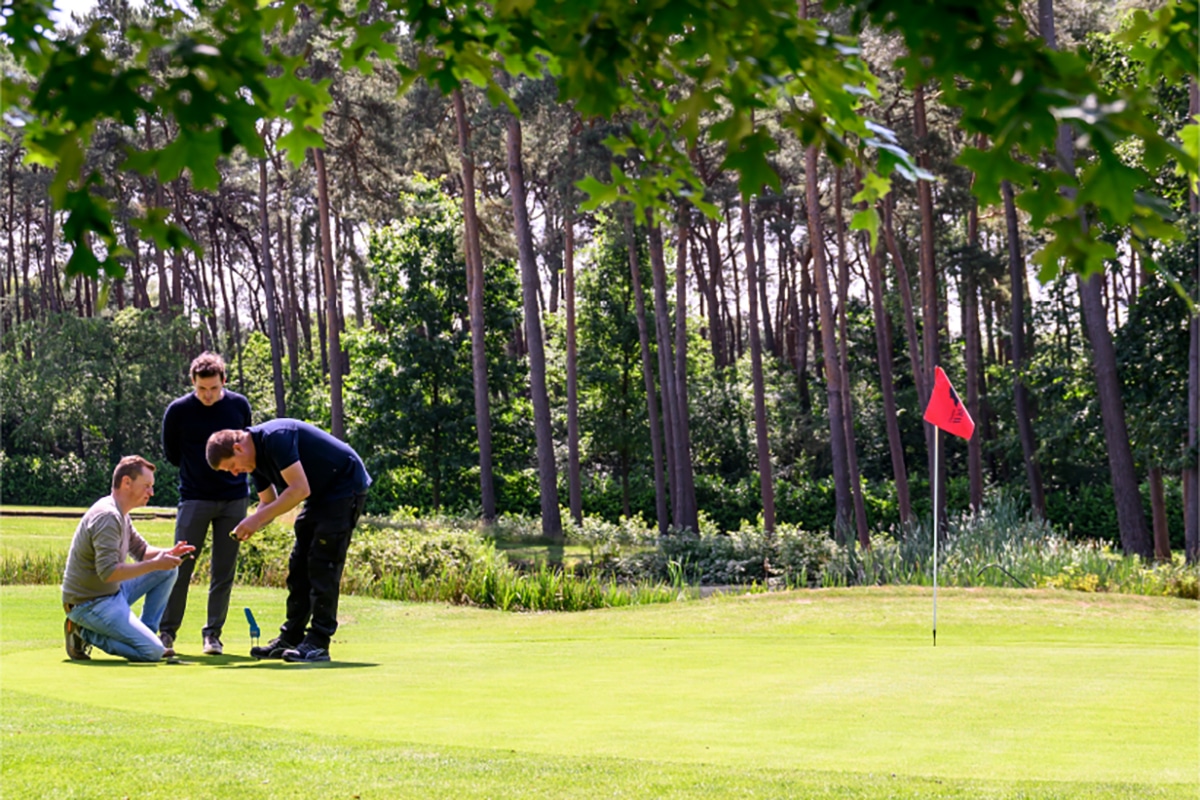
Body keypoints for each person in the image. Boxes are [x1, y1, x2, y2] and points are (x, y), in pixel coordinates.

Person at [206, 419, 371, 663]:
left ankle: (318, 642)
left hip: (344, 486)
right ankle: (292, 636)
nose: (234, 473)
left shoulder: (276, 439)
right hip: (319, 495)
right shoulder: (254, 462)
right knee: (298, 566)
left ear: (238, 448)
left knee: (322, 565)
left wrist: (256, 519)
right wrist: (252, 524)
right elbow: (268, 501)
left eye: (231, 466)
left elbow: (299, 489)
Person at [159, 352, 253, 657]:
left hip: (234, 498)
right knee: (180, 567)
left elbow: (247, 448)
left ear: (223, 381)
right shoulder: (178, 411)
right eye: (202, 389)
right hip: (194, 497)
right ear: (193, 383)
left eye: (213, 388)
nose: (208, 395)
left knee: (223, 571)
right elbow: (172, 454)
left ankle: (212, 635)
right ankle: (166, 633)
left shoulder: (239, 406)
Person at [62, 456, 196, 662]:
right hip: (88, 604)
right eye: (147, 486)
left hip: (111, 593)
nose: (151, 492)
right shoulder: (107, 516)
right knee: (151, 653)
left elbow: (141, 550)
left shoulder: (121, 513)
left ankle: (148, 633)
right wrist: (155, 563)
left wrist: (169, 553)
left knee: (168, 569)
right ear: (126, 483)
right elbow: (108, 572)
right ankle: (83, 632)